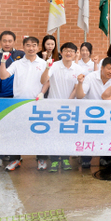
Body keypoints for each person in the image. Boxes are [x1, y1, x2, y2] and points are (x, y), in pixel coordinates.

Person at [0, 36, 49, 171]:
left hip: (37, 104)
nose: (31, 48)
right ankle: (15, 159)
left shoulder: (43, 63)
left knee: (39, 133)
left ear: (38, 47)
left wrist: (42, 93)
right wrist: (3, 62)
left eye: (34, 45)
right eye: (28, 45)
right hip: (19, 104)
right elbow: (3, 76)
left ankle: (41, 158)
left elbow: (46, 81)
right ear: (24, 47)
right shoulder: (17, 63)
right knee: (17, 133)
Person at [41, 42, 86, 172]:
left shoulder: (78, 69)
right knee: (54, 134)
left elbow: (77, 87)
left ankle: (66, 158)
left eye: (71, 51)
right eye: (66, 50)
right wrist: (47, 68)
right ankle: (55, 160)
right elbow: (43, 81)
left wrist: (69, 101)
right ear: (61, 52)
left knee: (67, 134)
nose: (68, 53)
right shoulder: (54, 66)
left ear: (75, 53)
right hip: (53, 106)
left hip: (70, 107)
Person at [75, 57, 111, 169]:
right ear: (102, 68)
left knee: (107, 136)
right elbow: (80, 95)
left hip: (107, 114)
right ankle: (86, 159)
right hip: (89, 114)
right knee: (88, 136)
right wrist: (79, 83)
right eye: (108, 68)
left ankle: (105, 158)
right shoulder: (91, 77)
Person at [0, 30, 25, 168]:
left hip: (17, 97)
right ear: (0, 41)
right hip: (2, 97)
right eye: (4, 41)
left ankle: (16, 156)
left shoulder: (21, 54)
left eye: (10, 41)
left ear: (14, 42)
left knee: (15, 129)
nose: (7, 43)